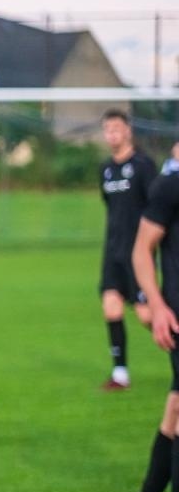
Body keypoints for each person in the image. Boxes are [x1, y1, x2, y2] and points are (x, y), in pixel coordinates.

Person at [127, 168, 179, 492]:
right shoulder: (171, 185)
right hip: (177, 314)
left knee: (175, 410)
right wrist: (157, 306)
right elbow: (142, 249)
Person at [96, 110, 156, 390]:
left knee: (146, 315)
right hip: (113, 252)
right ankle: (120, 373)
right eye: (107, 129)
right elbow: (110, 206)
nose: (112, 134)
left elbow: (156, 207)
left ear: (128, 131)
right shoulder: (105, 170)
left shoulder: (143, 166)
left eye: (117, 128)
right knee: (111, 307)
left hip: (138, 254)